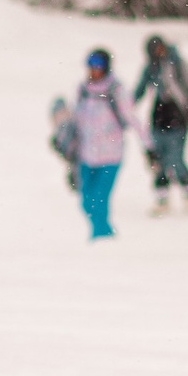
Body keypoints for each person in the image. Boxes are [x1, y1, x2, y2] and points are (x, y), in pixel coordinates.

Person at [68, 47, 143, 240]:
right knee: (85, 201)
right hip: (86, 155)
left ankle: (102, 240)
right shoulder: (83, 90)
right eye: (90, 65)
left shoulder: (116, 90)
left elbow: (132, 118)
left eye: (98, 65)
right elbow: (76, 120)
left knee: (99, 202)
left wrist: (149, 146)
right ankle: (105, 237)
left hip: (110, 155)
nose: (94, 69)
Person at [133, 32, 188, 212]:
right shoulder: (151, 68)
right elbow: (140, 89)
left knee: (175, 159)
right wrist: (127, 105)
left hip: (178, 117)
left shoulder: (177, 64)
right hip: (158, 117)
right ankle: (162, 198)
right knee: (158, 160)